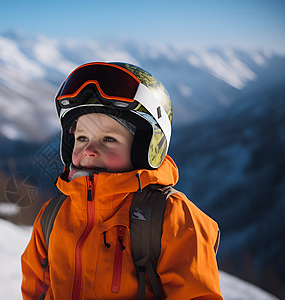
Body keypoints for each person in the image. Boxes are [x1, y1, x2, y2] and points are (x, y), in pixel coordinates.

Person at [21, 62, 222, 299]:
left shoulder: (173, 218)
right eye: (82, 137)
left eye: (109, 139)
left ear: (145, 148)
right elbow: (36, 289)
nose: (89, 150)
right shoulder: (52, 216)